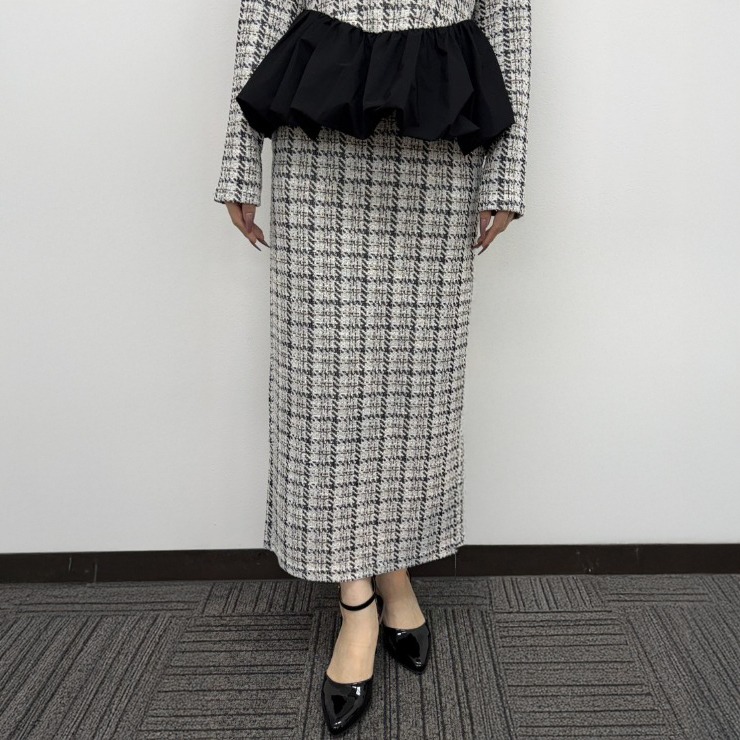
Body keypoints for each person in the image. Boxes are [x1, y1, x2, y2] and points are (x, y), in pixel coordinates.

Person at [214, 0, 531, 734]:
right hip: (319, 135)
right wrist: (239, 161)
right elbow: (263, 11)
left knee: (417, 388)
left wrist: (507, 176)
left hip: (440, 141)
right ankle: (356, 599)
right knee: (324, 388)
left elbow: (510, 24)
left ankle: (393, 567)